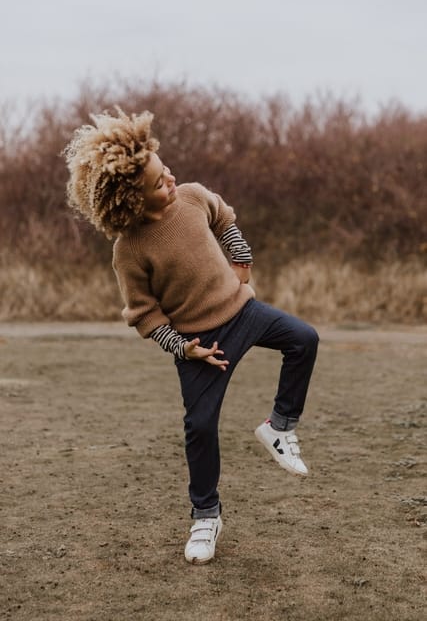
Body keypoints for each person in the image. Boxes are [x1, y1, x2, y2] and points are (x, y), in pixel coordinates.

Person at [64, 107, 319, 565]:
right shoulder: (130, 250)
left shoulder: (193, 196)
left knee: (304, 338)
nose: (170, 178)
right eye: (159, 182)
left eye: (165, 168)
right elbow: (145, 315)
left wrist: (241, 257)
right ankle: (206, 516)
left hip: (244, 312)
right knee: (200, 427)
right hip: (201, 345)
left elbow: (225, 218)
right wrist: (183, 348)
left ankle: (280, 427)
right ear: (133, 200)